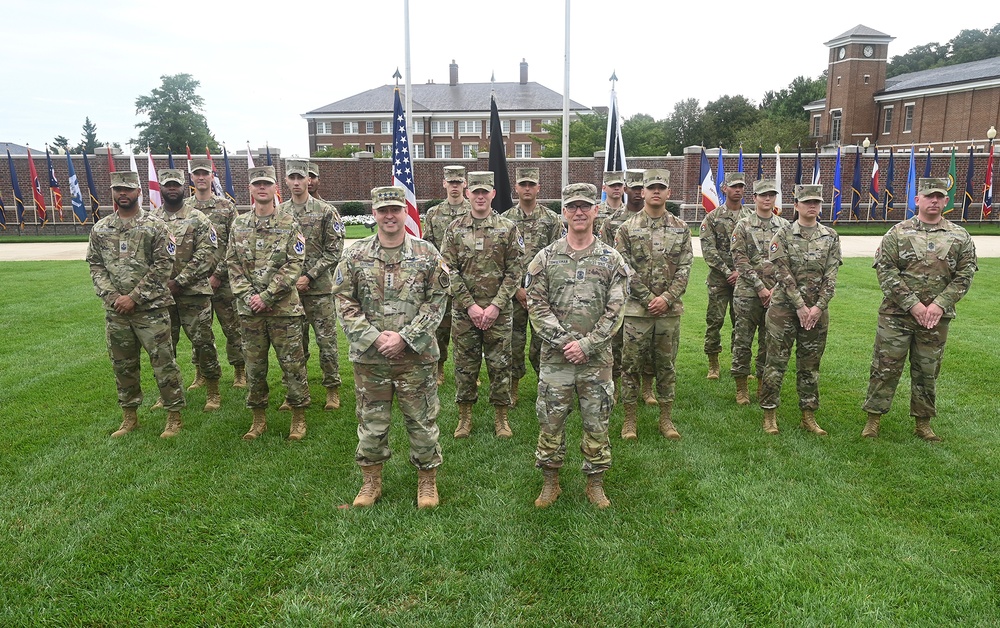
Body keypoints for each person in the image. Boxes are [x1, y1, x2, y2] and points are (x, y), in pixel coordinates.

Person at [334, 186, 448, 509]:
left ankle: (427, 481)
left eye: (395, 209)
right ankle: (371, 481)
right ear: (374, 213)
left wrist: (405, 338)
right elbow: (344, 300)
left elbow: (436, 302)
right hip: (371, 360)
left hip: (416, 357)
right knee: (371, 423)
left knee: (422, 422)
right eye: (383, 210)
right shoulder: (355, 256)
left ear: (405, 212)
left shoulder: (427, 255)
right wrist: (373, 336)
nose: (389, 216)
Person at [527, 183, 628, 509]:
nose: (579, 212)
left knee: (597, 421)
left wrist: (587, 344)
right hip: (556, 360)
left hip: (596, 361)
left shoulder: (612, 259)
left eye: (585, 206)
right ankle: (550, 483)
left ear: (595, 210)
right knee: (550, 420)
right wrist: (566, 342)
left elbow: (616, 311)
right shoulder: (545, 258)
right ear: (564, 212)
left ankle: (595, 484)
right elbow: (536, 306)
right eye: (572, 207)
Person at [861, 177, 978, 441]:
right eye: (928, 196)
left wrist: (939, 305)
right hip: (896, 316)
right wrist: (912, 304)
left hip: (936, 318)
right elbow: (886, 271)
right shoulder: (897, 233)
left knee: (927, 369)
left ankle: (923, 423)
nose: (934, 201)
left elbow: (965, 275)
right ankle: (873, 419)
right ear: (918, 200)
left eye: (939, 197)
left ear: (946, 201)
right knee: (885, 367)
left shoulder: (959, 236)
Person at [87, 171, 186, 438]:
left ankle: (174, 416)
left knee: (164, 364)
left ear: (138, 192)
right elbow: (96, 266)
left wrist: (134, 297)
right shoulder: (101, 228)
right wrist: (113, 298)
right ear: (112, 192)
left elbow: (164, 266)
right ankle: (130, 417)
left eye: (128, 189)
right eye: (118, 189)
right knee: (123, 365)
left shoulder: (155, 226)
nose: (123, 194)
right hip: (117, 313)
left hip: (151, 310)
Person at [227, 166, 311, 441]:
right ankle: (258, 418)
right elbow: (232, 265)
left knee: (293, 365)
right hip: (250, 311)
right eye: (257, 184)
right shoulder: (238, 224)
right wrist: (249, 296)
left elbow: (294, 263)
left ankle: (298, 417)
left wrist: (266, 296)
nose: (262, 188)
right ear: (250, 189)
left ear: (276, 188)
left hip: (283, 310)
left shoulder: (289, 223)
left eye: (267, 184)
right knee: (254, 367)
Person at [441, 171, 524, 439]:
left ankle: (502, 418)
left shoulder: (507, 228)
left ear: (493, 194)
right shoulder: (454, 229)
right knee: (465, 365)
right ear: (467, 193)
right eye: (474, 191)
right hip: (465, 314)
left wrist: (496, 306)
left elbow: (515, 270)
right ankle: (465, 418)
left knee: (501, 366)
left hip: (499, 313)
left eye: (484, 191)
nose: (479, 196)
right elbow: (447, 270)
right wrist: (470, 306)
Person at [614, 168, 692, 440]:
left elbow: (685, 267)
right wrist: (648, 299)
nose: (656, 191)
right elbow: (624, 268)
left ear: (669, 192)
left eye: (661, 187)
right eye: (651, 187)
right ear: (643, 191)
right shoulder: (627, 228)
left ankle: (666, 419)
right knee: (630, 366)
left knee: (666, 366)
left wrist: (667, 298)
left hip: (668, 313)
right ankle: (629, 420)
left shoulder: (681, 229)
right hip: (637, 312)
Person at [759, 184, 842, 436]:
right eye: (807, 202)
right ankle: (770, 414)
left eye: (816, 202)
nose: (812, 206)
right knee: (775, 363)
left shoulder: (830, 236)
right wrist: (801, 306)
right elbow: (782, 274)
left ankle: (808, 415)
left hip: (816, 313)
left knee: (810, 365)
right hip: (784, 310)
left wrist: (817, 307)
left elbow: (831, 275)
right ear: (796, 205)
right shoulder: (782, 235)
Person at [149, 168, 223, 414]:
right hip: (160, 296)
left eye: (176, 185)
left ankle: (213, 389)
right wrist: (161, 284)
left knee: (203, 343)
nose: (172, 189)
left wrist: (179, 281)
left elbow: (207, 254)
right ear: (161, 188)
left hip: (193, 294)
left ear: (183, 187)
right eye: (168, 185)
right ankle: (168, 393)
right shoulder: (151, 220)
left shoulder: (198, 218)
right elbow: (143, 258)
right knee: (163, 347)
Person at [278, 158, 345, 412]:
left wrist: (310, 275)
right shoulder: (280, 213)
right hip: (289, 291)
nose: (296, 183)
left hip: (319, 290)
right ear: (286, 181)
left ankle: (332, 390)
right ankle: (295, 390)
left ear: (309, 180)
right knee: (294, 344)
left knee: (326, 342)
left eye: (301, 178)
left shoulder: (326, 211)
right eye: (292, 178)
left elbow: (334, 249)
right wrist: (290, 279)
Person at [502, 166, 563, 404]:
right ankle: (514, 388)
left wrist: (536, 291)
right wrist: (518, 288)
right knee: (513, 343)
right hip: (514, 294)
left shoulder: (552, 220)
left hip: (542, 296)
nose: (527, 188)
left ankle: (544, 386)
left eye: (531, 184)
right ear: (516, 187)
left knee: (543, 343)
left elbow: (557, 258)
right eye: (523, 184)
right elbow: (504, 259)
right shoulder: (505, 220)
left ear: (538, 188)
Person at [185, 157, 245, 389]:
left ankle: (240, 371)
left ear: (212, 176)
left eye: (205, 173)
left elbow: (235, 243)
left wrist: (218, 275)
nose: (201, 177)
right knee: (198, 330)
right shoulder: (185, 208)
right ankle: (201, 373)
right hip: (194, 283)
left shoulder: (226, 207)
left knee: (233, 328)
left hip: (224, 281)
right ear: (191, 177)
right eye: (197, 174)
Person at [729, 179, 789, 405]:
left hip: (776, 294)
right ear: (753, 198)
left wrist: (775, 288)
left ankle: (763, 383)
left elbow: (787, 260)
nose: (767, 199)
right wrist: (760, 287)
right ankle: (741, 387)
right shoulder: (743, 226)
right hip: (747, 293)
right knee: (742, 340)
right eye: (763, 195)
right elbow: (739, 259)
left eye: (771, 195)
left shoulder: (784, 226)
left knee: (769, 342)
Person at [599, 168, 653, 401]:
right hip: (620, 293)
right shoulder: (611, 223)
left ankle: (648, 388)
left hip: (651, 293)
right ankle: (617, 386)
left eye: (643, 188)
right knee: (617, 343)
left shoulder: (655, 220)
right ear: (626, 189)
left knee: (650, 344)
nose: (639, 193)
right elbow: (604, 257)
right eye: (634, 187)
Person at [421, 165, 472, 385]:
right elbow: (428, 247)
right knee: (440, 330)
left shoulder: (474, 211)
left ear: (465, 184)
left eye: (458, 182)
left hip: (467, 281)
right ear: (444, 184)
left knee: (467, 331)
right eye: (451, 182)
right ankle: (439, 369)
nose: (454, 186)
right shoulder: (434, 213)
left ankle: (469, 372)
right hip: (441, 282)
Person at [699, 171, 746, 380]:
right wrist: (728, 272)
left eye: (741, 186)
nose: (737, 190)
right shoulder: (713, 218)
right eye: (733, 186)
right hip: (719, 280)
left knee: (742, 322)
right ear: (724, 188)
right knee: (715, 320)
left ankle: (739, 363)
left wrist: (740, 272)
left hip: (744, 280)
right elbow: (709, 250)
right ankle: (713, 365)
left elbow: (755, 251)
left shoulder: (749, 219)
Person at [593, 171, 625, 236]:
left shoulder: (629, 212)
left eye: (619, 185)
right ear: (604, 188)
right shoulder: (595, 211)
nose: (616, 188)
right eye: (612, 185)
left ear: (624, 188)